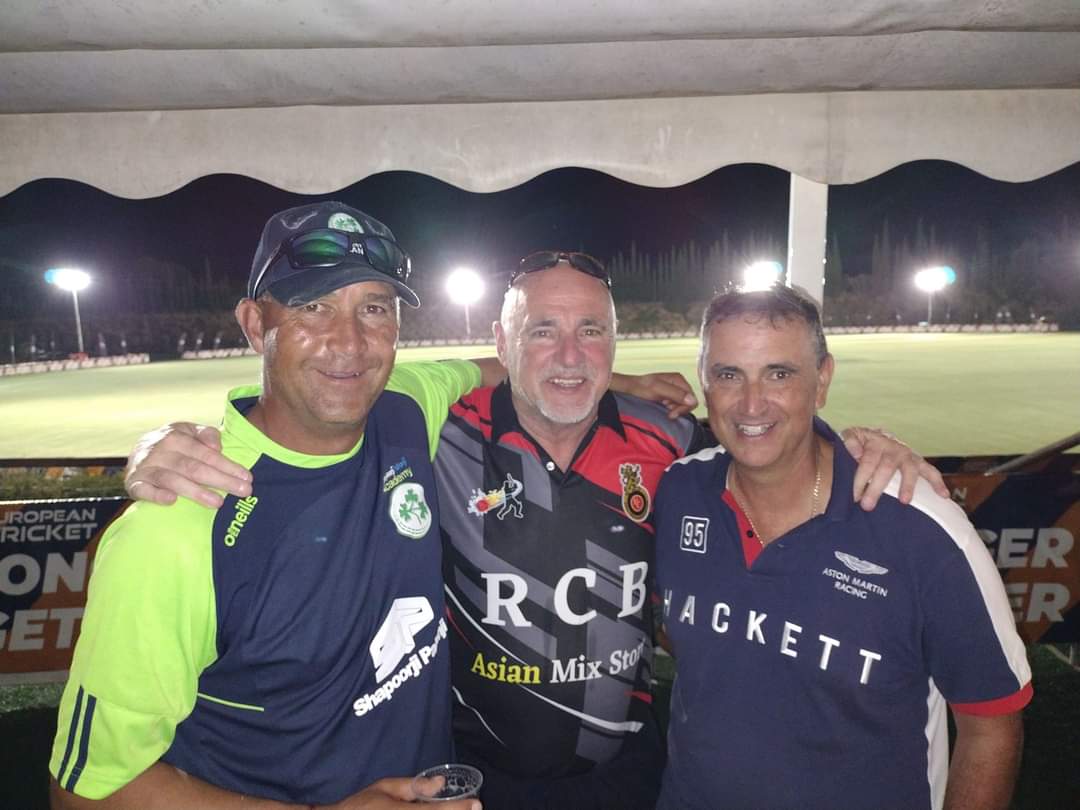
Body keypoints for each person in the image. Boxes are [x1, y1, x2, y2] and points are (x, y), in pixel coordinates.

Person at [124, 255, 944, 809]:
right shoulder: (433, 432)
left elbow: (773, 448)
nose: (569, 355)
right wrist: (162, 444)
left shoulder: (671, 442)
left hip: (628, 772)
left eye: (592, 332)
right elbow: (308, 407)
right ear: (500, 343)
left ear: (615, 342)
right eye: (541, 331)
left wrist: (863, 448)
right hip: (477, 777)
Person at [49, 202, 487, 810]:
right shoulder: (177, 527)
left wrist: (613, 386)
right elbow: (88, 790)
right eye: (313, 307)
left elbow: (493, 371)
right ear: (256, 325)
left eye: (374, 308)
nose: (350, 342)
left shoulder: (404, 408)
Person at [654, 284, 1032, 810]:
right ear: (704, 381)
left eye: (779, 374)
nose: (751, 403)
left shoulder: (921, 529)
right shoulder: (676, 492)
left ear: (822, 380)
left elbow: (991, 724)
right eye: (728, 375)